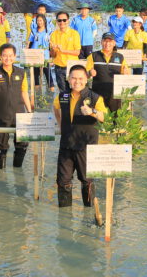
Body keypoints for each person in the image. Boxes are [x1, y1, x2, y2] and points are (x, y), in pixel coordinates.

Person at [53, 65, 107, 208]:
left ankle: (88, 212)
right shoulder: (63, 96)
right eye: (74, 78)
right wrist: (61, 124)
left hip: (86, 146)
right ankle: (64, 215)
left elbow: (104, 118)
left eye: (81, 78)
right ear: (68, 79)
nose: (77, 82)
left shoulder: (95, 97)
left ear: (86, 79)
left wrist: (92, 111)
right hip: (66, 145)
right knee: (63, 181)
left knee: (87, 180)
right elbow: (55, 108)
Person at [0, 43, 32, 168]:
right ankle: (1, 173)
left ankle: (17, 170)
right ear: (0, 56)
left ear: (14, 56)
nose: (8, 58)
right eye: (4, 55)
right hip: (0, 116)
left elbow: (24, 92)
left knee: (22, 145)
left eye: (10, 55)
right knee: (1, 147)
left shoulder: (21, 72)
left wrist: (30, 112)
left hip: (19, 115)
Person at [86, 32, 129, 112]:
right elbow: (86, 74)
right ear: (101, 42)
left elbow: (126, 74)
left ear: (114, 43)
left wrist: (125, 73)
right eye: (105, 41)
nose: (107, 43)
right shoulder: (93, 56)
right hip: (97, 92)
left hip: (114, 93)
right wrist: (90, 72)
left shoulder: (120, 57)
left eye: (110, 41)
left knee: (116, 116)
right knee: (97, 115)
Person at [49, 11, 81, 92]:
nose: (62, 22)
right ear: (57, 22)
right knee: (64, 93)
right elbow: (53, 55)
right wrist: (53, 49)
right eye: (59, 20)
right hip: (59, 68)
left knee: (76, 91)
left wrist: (63, 51)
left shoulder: (74, 33)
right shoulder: (53, 34)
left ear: (68, 21)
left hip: (72, 67)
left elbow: (77, 52)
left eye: (64, 20)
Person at [28, 13, 53, 91]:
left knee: (48, 73)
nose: (39, 22)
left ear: (44, 21)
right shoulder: (34, 31)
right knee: (36, 74)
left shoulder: (49, 31)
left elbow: (51, 43)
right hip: (35, 54)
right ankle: (37, 93)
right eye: (38, 20)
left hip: (45, 55)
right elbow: (29, 42)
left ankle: (51, 90)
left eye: (40, 20)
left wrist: (52, 57)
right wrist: (26, 52)